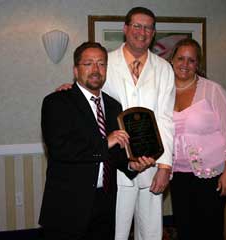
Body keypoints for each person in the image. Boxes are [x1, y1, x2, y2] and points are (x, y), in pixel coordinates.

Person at [56, 7, 175, 240]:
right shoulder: (106, 63)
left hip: (152, 161)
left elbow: (166, 119)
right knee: (115, 232)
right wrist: (70, 90)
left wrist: (165, 167)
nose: (142, 32)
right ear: (126, 29)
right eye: (137, 26)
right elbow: (88, 88)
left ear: (154, 33)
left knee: (151, 232)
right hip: (117, 164)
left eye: (148, 27)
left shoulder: (163, 68)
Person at [39, 41, 155, 240]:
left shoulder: (113, 106)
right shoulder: (56, 102)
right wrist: (106, 142)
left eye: (101, 64)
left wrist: (132, 165)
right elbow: (61, 149)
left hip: (106, 203)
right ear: (76, 70)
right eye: (88, 63)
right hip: (69, 206)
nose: (96, 69)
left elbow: (116, 154)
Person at [169, 38, 226, 240]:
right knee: (185, 229)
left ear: (197, 64)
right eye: (181, 58)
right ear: (172, 60)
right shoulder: (162, 92)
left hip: (211, 175)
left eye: (191, 60)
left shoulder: (213, 90)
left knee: (210, 230)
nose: (185, 64)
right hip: (178, 175)